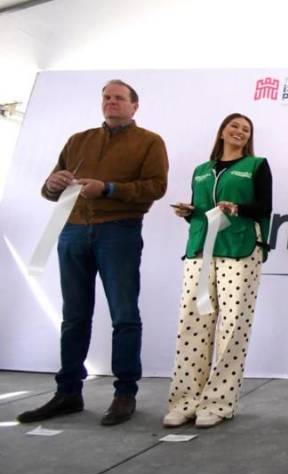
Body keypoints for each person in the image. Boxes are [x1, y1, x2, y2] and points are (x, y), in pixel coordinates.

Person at [17, 79, 168, 426]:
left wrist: (108, 188)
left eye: (119, 98)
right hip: (71, 230)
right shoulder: (78, 140)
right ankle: (68, 391)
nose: (111, 102)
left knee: (124, 315)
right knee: (74, 316)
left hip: (119, 231)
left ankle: (124, 393)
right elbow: (50, 188)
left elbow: (156, 187)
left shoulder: (149, 142)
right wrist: (51, 185)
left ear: (135, 106)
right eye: (106, 97)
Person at [161, 113, 271, 429]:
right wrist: (188, 213)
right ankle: (185, 401)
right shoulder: (201, 171)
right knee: (192, 322)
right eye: (234, 126)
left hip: (240, 247)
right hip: (200, 249)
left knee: (232, 324)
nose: (239, 131)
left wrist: (237, 209)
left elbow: (264, 208)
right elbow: (202, 211)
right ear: (222, 131)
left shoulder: (257, 166)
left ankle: (219, 402)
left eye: (246, 129)